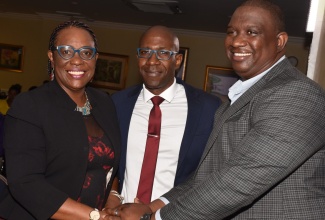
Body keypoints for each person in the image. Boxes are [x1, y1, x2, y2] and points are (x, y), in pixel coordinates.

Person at [106, 0, 325, 219]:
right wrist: (154, 206)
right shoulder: (237, 99)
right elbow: (207, 175)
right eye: (232, 32)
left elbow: (240, 180)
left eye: (251, 32)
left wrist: (157, 217)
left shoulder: (296, 93)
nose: (237, 41)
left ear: (280, 41)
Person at [0, 20, 121, 220]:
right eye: (66, 51)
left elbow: (109, 163)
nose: (77, 60)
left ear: (95, 58)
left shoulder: (104, 103)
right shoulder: (30, 105)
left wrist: (113, 198)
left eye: (86, 52)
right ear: (51, 56)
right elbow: (25, 183)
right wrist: (95, 216)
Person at [111, 25, 221, 204]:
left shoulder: (207, 108)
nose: (152, 61)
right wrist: (113, 196)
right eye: (145, 52)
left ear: (177, 60)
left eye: (162, 53)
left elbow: (211, 171)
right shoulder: (118, 103)